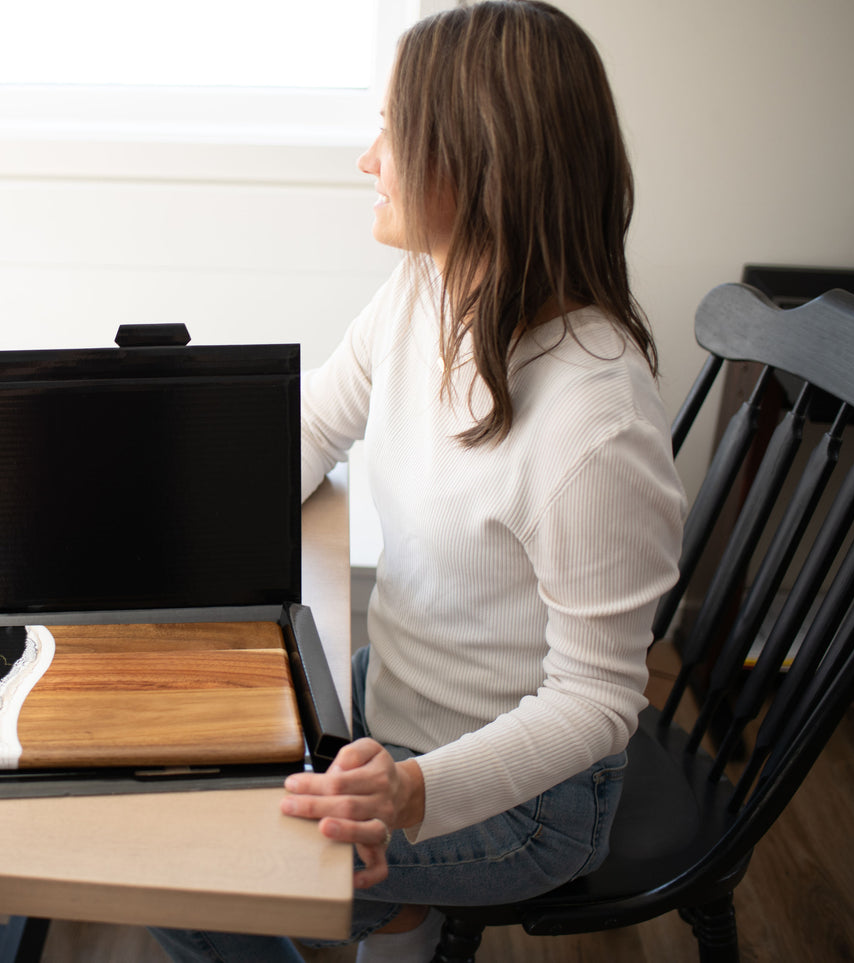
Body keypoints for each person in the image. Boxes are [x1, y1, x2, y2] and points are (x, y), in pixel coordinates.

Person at [152, 2, 686, 961]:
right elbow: (316, 423)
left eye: (393, 132)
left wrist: (414, 794)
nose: (368, 159)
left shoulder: (593, 427)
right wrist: (171, 526)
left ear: (474, 162)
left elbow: (597, 701)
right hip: (394, 693)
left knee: (190, 878)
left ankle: (389, 907)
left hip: (533, 799)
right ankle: (396, 915)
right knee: (182, 761)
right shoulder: (429, 285)